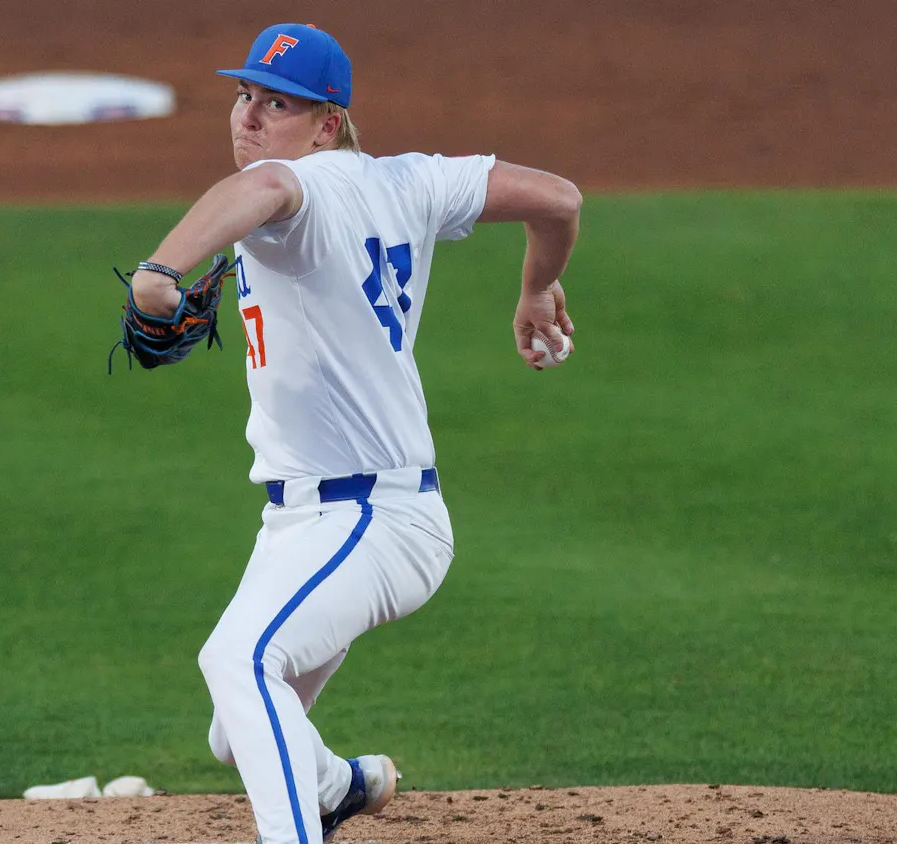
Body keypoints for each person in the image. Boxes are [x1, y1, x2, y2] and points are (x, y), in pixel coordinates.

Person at [126, 22, 581, 844]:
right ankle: (340, 787)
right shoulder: (414, 181)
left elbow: (261, 190)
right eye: (245, 95)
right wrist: (537, 287)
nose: (250, 116)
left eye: (278, 103)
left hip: (375, 519)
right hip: (307, 521)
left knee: (237, 662)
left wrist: (161, 270)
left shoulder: (291, 185)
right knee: (237, 733)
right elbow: (559, 199)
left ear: (327, 122)